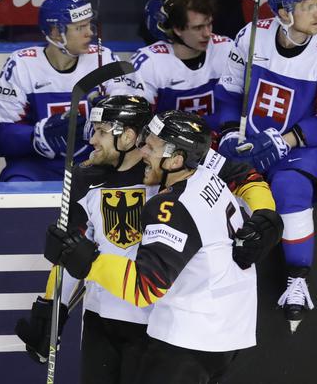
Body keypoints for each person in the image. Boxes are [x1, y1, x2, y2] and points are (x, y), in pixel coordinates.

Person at [16, 97, 282, 384]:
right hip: (101, 314)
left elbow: (245, 177)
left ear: (128, 136)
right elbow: (71, 251)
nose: (92, 140)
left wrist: (265, 214)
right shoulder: (84, 177)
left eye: (102, 131)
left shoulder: (173, 165)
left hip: (152, 318)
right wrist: (52, 309)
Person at [215, 0, 317, 332]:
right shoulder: (250, 36)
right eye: (307, 6)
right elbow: (229, 92)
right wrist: (231, 134)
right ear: (282, 12)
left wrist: (286, 140)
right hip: (252, 135)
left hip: (306, 147)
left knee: (290, 189)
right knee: (214, 185)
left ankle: (297, 279)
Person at [0, 0, 140, 182]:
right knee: (16, 185)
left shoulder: (104, 58)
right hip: (37, 166)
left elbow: (128, 115)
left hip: (94, 162)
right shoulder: (22, 64)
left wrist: (115, 111)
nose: (90, 33)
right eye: (80, 27)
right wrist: (38, 136)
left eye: (89, 25)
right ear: (55, 32)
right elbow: (3, 134)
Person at [132, 0, 233, 131]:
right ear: (177, 29)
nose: (207, 33)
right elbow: (138, 122)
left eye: (209, 24)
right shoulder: (149, 63)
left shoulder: (226, 48)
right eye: (198, 28)